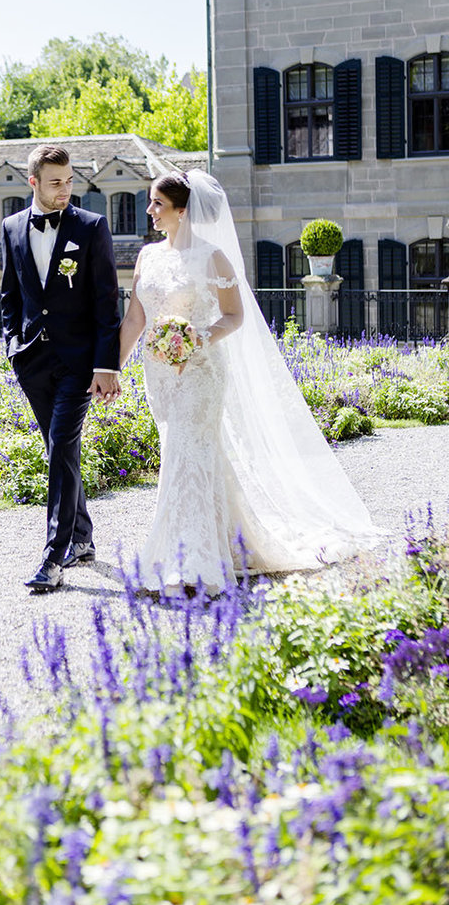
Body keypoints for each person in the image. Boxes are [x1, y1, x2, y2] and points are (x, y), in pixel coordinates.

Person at [118, 169, 379, 595]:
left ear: (183, 211)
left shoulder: (212, 258)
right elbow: (135, 318)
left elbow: (234, 316)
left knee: (185, 455)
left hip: (201, 372)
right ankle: (228, 541)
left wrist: (199, 337)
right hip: (160, 375)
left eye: (157, 204)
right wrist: (112, 368)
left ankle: (192, 563)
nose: (149, 210)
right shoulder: (147, 257)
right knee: (191, 457)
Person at [1, 145, 121, 593]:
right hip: (32, 361)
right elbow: (10, 295)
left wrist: (105, 365)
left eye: (70, 180)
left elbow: (107, 303)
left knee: (61, 444)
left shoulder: (91, 227)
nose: (65, 189)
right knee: (60, 453)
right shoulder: (12, 227)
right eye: (55, 182)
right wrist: (12, 347)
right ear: (33, 182)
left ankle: (54, 556)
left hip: (79, 363)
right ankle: (84, 538)